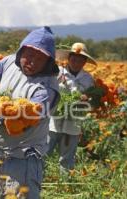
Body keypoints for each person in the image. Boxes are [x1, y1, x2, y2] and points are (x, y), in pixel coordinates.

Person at [0, 27, 60, 199]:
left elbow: (25, 116)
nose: (32, 62)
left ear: (48, 62)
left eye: (39, 58)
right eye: (29, 55)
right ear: (21, 51)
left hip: (23, 160)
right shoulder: (9, 63)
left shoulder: (46, 88)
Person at [48, 42, 97, 172]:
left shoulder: (88, 79)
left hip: (73, 123)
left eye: (80, 59)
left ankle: (65, 185)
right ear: (68, 58)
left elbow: (92, 101)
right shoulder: (56, 72)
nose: (76, 61)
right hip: (53, 120)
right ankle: (37, 183)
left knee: (67, 158)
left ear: (85, 62)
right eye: (73, 58)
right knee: (44, 153)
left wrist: (87, 100)